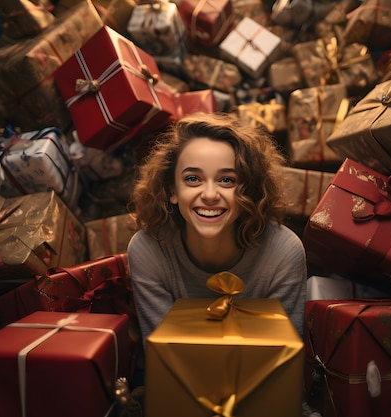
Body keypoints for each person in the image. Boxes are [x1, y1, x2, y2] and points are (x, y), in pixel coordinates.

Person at [127, 111, 307, 344]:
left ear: (248, 190)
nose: (210, 195)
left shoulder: (283, 253)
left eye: (227, 180)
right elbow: (164, 358)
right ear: (172, 190)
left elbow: (285, 362)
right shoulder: (148, 250)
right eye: (193, 179)